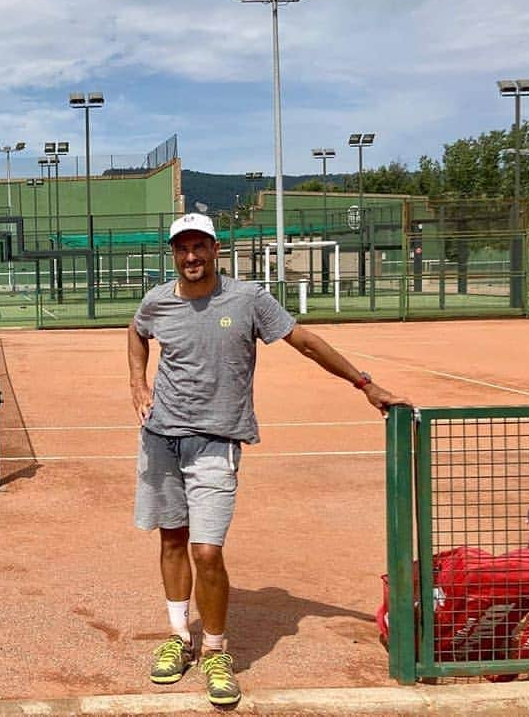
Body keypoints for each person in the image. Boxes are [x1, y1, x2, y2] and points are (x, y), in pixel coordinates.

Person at [127, 213, 409, 707]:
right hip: (160, 440)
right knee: (172, 539)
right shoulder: (158, 301)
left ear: (216, 249)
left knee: (207, 551)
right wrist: (137, 382)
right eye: (182, 248)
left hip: (216, 441)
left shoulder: (248, 299)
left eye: (199, 247)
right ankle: (178, 637)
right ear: (174, 253)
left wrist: (364, 384)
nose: (190, 256)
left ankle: (215, 649)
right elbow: (136, 332)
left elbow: (306, 343)